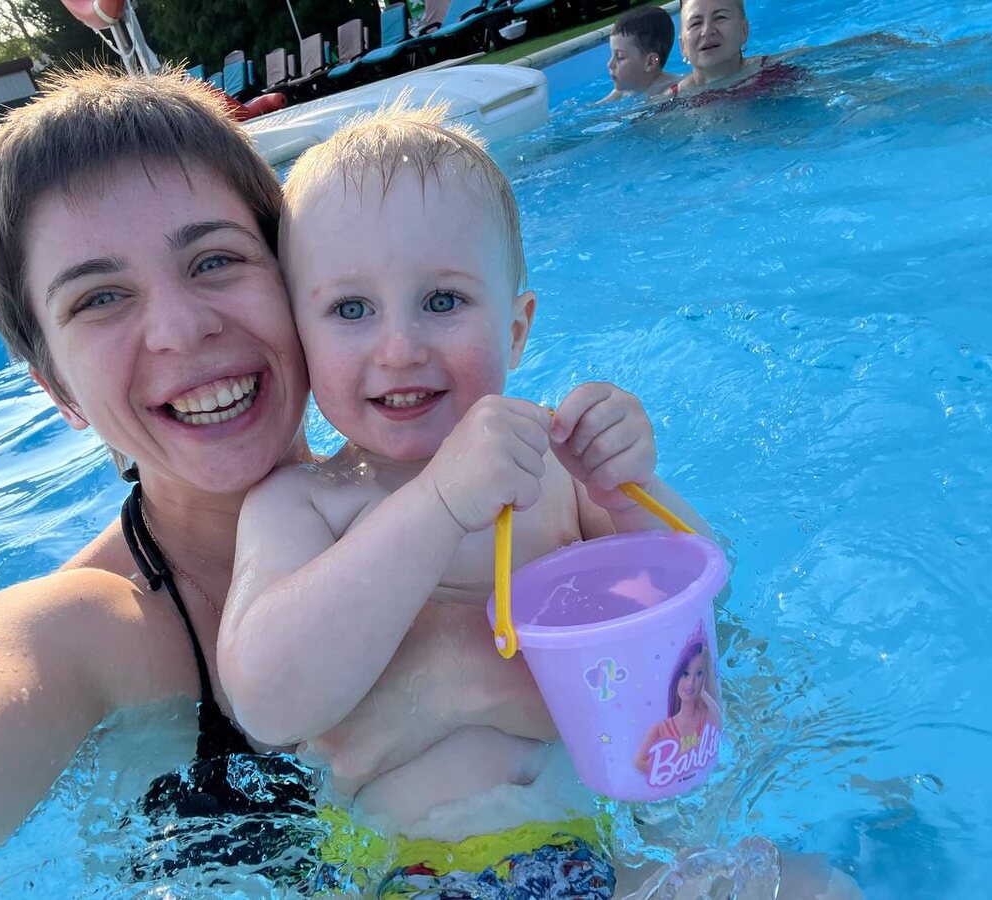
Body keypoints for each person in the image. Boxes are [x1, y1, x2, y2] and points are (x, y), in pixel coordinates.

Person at [0, 70, 554, 898]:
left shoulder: (499, 484)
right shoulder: (76, 638)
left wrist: (472, 667)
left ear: (296, 279)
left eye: (215, 259)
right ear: (59, 391)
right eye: (100, 297)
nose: (182, 330)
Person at [216, 103, 716, 895]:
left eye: (443, 301)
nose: (399, 348)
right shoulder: (303, 506)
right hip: (415, 872)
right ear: (301, 341)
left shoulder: (556, 474)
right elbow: (267, 702)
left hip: (605, 852)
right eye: (350, 310)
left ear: (516, 330)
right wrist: (442, 500)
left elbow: (700, 609)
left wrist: (627, 487)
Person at [667, 0, 801, 102]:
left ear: (744, 31)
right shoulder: (670, 101)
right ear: (683, 46)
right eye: (696, 23)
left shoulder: (779, 72)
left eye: (720, 17)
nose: (707, 31)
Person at [634, 637, 723, 772]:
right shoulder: (661, 729)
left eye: (699, 674)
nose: (691, 682)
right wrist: (668, 768)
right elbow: (639, 762)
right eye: (685, 673)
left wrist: (704, 694)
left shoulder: (705, 716)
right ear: (677, 676)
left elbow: (719, 727)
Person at [598, 6, 678, 104]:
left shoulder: (672, 90)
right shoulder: (625, 88)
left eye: (620, 57)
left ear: (650, 62)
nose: (610, 64)